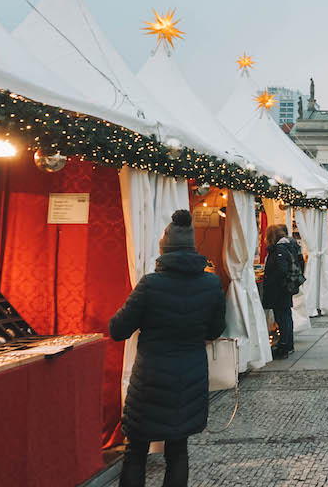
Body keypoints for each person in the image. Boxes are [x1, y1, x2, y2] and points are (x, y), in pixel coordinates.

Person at [109, 209, 225, 487]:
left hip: (151, 377)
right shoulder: (211, 283)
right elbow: (216, 329)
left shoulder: (150, 284)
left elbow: (118, 329)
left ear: (164, 250)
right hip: (191, 376)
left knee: (136, 451)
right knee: (178, 450)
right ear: (192, 247)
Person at [261, 224, 295, 359]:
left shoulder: (279, 250)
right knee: (285, 317)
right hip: (283, 290)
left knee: (282, 318)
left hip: (279, 291)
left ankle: (284, 345)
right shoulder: (285, 247)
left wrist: (270, 280)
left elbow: (281, 270)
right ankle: (287, 343)